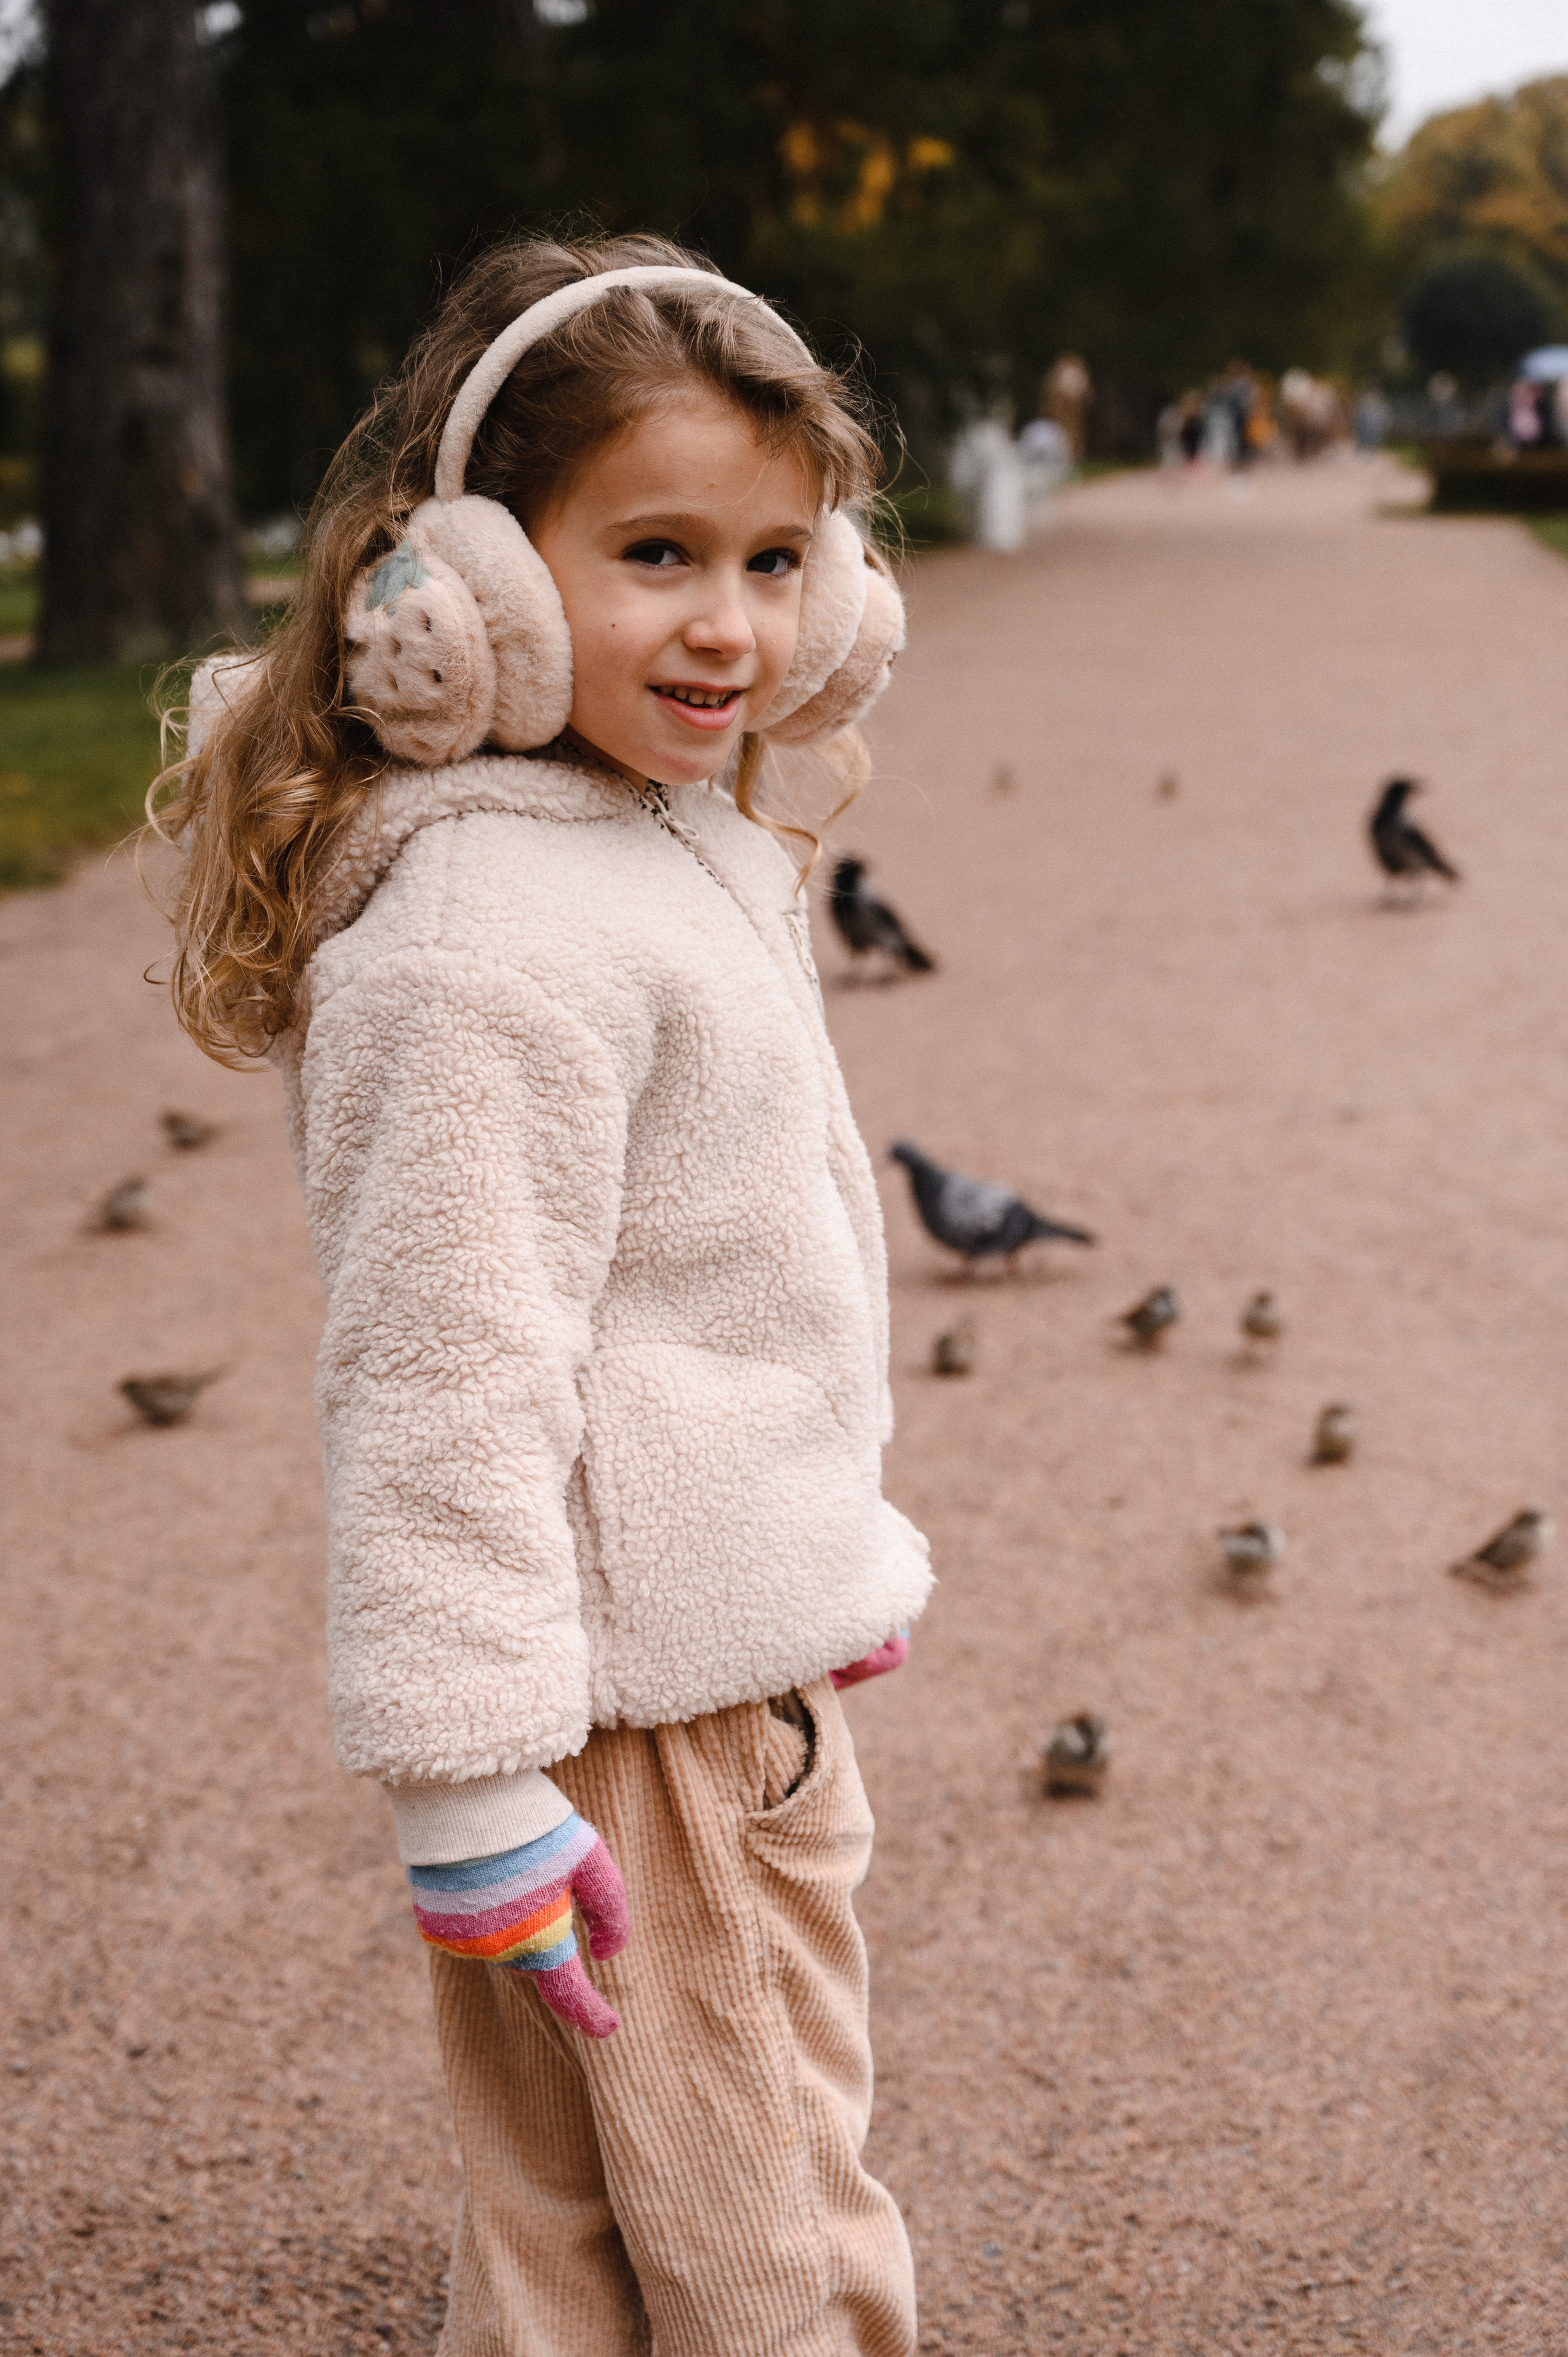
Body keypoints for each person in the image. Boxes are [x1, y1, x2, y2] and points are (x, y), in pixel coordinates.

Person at [148, 231, 933, 2357]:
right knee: (770, 2230)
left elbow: (704, 1291)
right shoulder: (493, 936)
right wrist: (474, 1778)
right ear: (473, 586)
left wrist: (794, 1558)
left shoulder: (625, 841)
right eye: (657, 550)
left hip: (634, 1684)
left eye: (781, 562)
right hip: (627, 1740)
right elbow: (440, 1376)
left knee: (574, 2236)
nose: (733, 625)